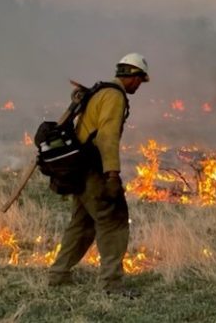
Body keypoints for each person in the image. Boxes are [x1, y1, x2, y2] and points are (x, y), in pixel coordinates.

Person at [48, 53, 150, 297]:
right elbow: (107, 136)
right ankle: (112, 286)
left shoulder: (99, 91)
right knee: (114, 222)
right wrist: (112, 175)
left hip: (78, 168)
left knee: (82, 224)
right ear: (132, 76)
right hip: (94, 170)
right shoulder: (114, 96)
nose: (139, 86)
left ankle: (58, 275)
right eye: (140, 80)